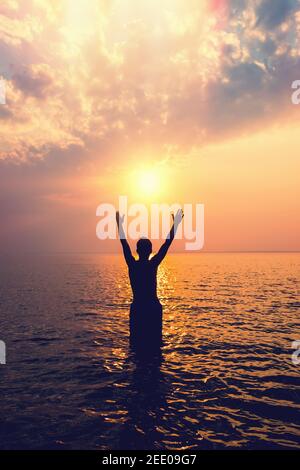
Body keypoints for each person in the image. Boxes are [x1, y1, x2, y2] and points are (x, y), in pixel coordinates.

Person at [116, 209, 184, 350]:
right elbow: (167, 244)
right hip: (152, 308)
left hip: (139, 308)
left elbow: (124, 244)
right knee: (154, 346)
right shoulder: (152, 264)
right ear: (150, 250)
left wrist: (119, 224)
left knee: (136, 345)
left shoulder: (133, 264)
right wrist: (176, 224)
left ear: (137, 250)